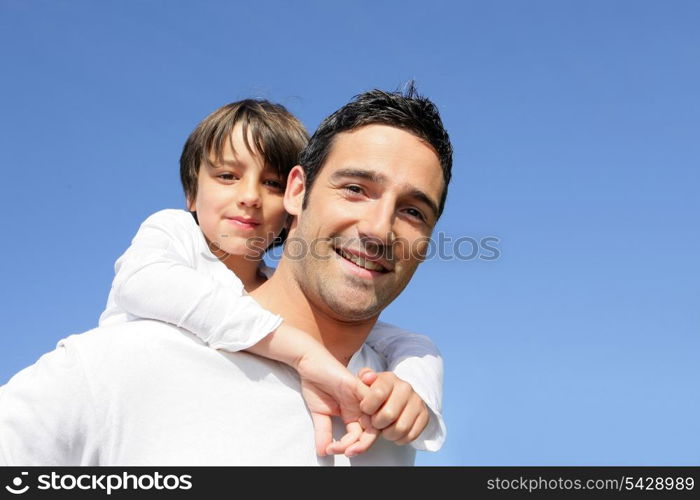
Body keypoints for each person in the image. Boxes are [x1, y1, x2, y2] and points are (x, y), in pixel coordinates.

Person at [0, 85, 452, 465]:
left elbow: (409, 343)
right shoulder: (120, 361)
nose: (378, 228)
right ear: (301, 191)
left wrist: (418, 386)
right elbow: (144, 280)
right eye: (355, 189)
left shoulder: (387, 414)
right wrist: (300, 353)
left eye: (413, 211)